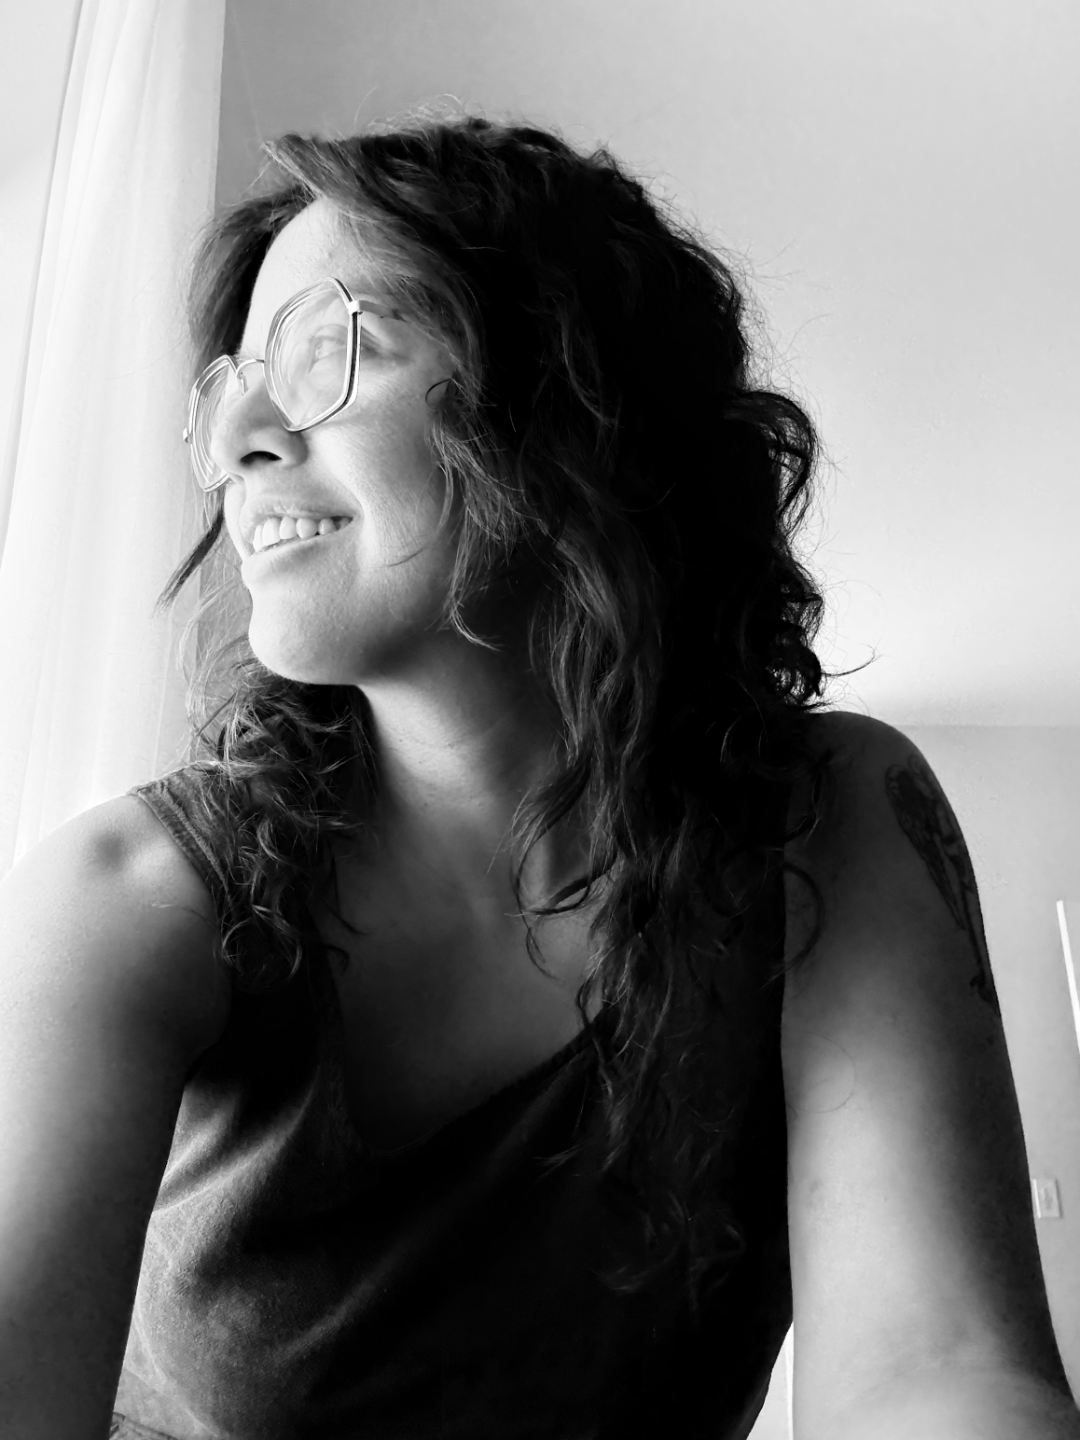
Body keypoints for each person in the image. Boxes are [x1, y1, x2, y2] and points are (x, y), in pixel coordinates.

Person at [0, 114, 1076, 1440]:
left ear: (570, 391)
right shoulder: (127, 901)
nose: (240, 435)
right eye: (231, 384)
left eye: (328, 347)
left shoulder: (828, 822)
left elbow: (937, 1365)